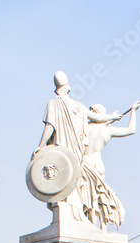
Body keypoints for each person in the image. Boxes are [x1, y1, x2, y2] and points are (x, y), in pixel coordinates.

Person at [32, 71, 122, 224]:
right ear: (68, 88)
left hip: (61, 152)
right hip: (75, 153)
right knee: (73, 181)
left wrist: (40, 146)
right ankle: (74, 216)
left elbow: (50, 127)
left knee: (62, 181)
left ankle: (68, 219)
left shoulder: (53, 103)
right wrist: (112, 117)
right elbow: (98, 118)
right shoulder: (79, 106)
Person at [81, 102, 140, 227]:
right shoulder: (107, 130)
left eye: (91, 110)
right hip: (98, 164)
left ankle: (90, 225)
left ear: (95, 113)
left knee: (87, 197)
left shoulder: (83, 128)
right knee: (97, 197)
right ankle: (97, 226)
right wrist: (133, 111)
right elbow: (131, 130)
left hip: (86, 163)